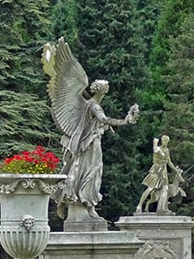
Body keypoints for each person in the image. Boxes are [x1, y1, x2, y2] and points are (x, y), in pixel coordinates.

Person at [43, 37, 139, 219]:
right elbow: (105, 119)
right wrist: (125, 121)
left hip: (88, 142)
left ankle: (84, 205)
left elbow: (100, 122)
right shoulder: (94, 106)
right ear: (102, 91)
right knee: (91, 171)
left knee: (85, 171)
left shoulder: (88, 104)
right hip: (89, 143)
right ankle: (81, 203)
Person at [136, 135, 186, 214]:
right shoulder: (158, 149)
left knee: (165, 189)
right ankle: (139, 206)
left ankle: (163, 209)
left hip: (163, 172)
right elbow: (155, 150)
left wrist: (175, 170)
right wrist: (154, 143)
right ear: (162, 141)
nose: (165, 142)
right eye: (164, 141)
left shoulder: (166, 150)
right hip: (156, 170)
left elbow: (169, 162)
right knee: (150, 188)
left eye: (166, 141)